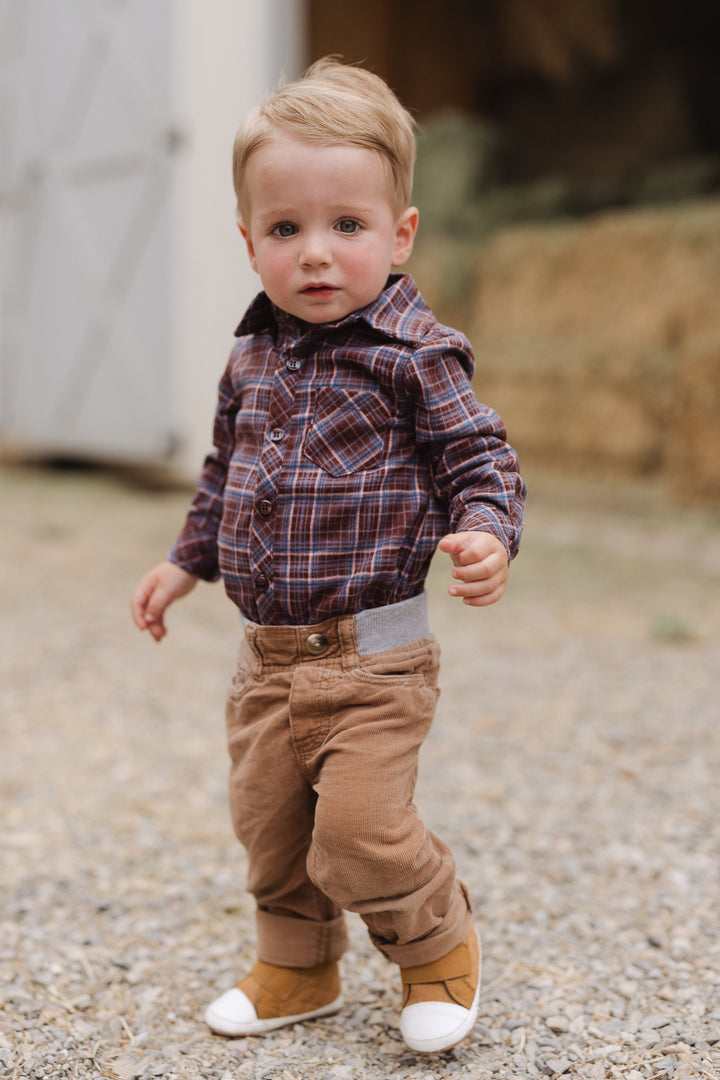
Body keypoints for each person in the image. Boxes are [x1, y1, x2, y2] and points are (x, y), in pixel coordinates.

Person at [131, 57, 525, 1055]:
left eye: (346, 227)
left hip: (378, 651)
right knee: (270, 827)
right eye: (285, 228)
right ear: (248, 238)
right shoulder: (251, 356)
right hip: (267, 656)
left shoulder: (415, 355)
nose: (315, 254)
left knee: (356, 831)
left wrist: (487, 530)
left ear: (400, 235)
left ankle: (437, 942)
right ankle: (298, 966)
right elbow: (227, 471)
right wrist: (186, 560)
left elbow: (481, 455)